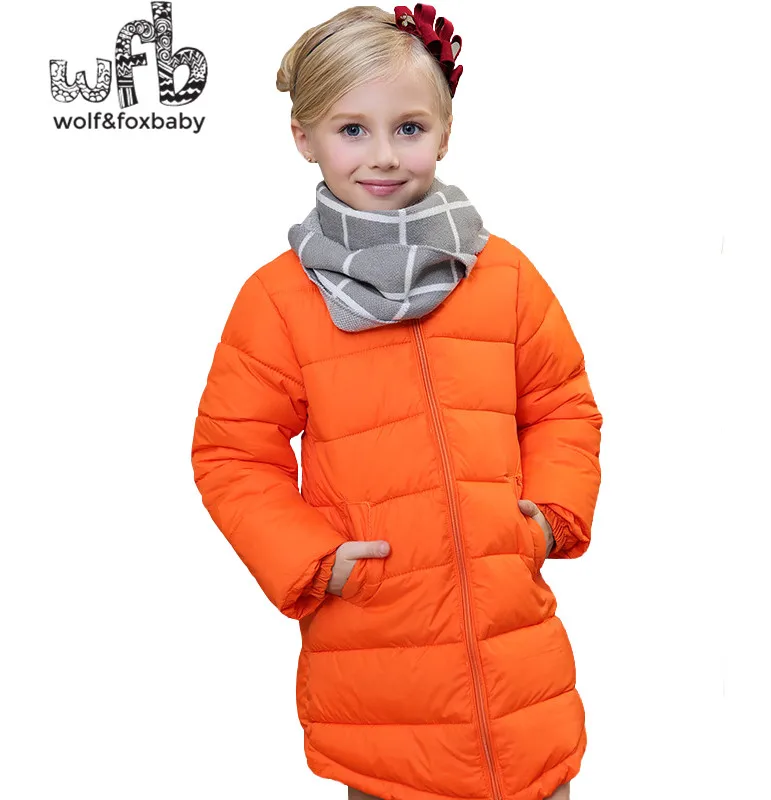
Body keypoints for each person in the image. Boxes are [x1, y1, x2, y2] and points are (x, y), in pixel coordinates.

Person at [190, 4, 602, 800]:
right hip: (381, 678)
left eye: (408, 128)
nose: (383, 155)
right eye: (352, 130)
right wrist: (317, 562)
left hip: (521, 677)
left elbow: (560, 404)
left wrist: (550, 516)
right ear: (303, 137)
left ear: (444, 134)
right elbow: (233, 454)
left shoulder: (505, 277)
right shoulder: (278, 302)